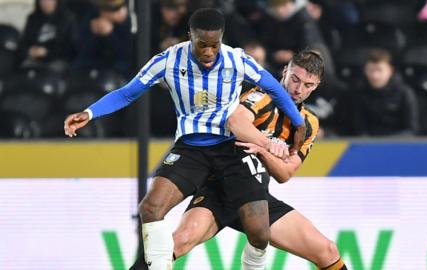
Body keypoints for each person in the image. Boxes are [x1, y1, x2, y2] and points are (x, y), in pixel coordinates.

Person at [64, 8, 306, 270]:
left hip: (232, 149)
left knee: (260, 235)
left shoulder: (237, 60)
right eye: (203, 45)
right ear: (190, 35)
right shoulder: (168, 60)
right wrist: (90, 112)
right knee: (150, 208)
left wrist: (298, 120)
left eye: (215, 45)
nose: (209, 52)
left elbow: (272, 86)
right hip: (191, 149)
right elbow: (127, 93)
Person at [169, 50, 348, 269]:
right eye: (295, 79)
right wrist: (267, 144)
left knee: (327, 251)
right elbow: (236, 121)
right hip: (220, 189)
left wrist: (262, 152)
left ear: (317, 86)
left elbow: (285, 173)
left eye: (308, 85)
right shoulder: (263, 97)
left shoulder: (309, 122)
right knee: (178, 242)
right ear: (285, 71)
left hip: (257, 199)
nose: (298, 89)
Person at [353, 49, 420, 136]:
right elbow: (359, 129)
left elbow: (412, 129)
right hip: (368, 145)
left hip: (398, 144)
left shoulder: (405, 93)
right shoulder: (359, 94)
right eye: (370, 70)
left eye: (379, 70)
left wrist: (386, 144)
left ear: (390, 71)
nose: (374, 76)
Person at [73, 0, 133, 77]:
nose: (122, 12)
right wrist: (94, 35)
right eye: (114, 9)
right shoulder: (92, 18)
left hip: (118, 69)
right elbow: (82, 51)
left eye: (123, 7)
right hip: (92, 67)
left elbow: (126, 54)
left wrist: (110, 35)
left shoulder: (127, 23)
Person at [16, 0, 76, 73]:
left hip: (58, 59)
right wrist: (29, 50)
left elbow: (70, 47)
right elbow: (24, 41)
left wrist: (46, 52)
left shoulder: (67, 19)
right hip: (35, 59)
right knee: (24, 68)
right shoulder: (32, 18)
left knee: (51, 71)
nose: (45, 3)